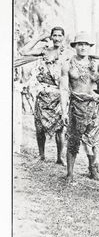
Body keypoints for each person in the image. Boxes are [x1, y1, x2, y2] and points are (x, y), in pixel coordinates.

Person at [60, 31, 99, 183]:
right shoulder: (67, 64)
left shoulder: (97, 64)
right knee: (73, 140)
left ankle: (93, 169)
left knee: (94, 141)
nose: (83, 47)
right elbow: (63, 89)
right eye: (80, 44)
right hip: (77, 105)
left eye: (86, 44)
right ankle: (70, 173)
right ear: (75, 46)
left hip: (95, 105)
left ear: (90, 47)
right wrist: (63, 111)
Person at [20, 27, 67, 164]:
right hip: (43, 93)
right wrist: (40, 37)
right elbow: (23, 51)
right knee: (39, 127)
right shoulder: (44, 51)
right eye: (54, 35)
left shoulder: (67, 54)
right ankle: (41, 155)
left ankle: (60, 157)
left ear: (63, 37)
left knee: (60, 128)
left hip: (59, 94)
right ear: (51, 37)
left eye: (60, 35)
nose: (57, 38)